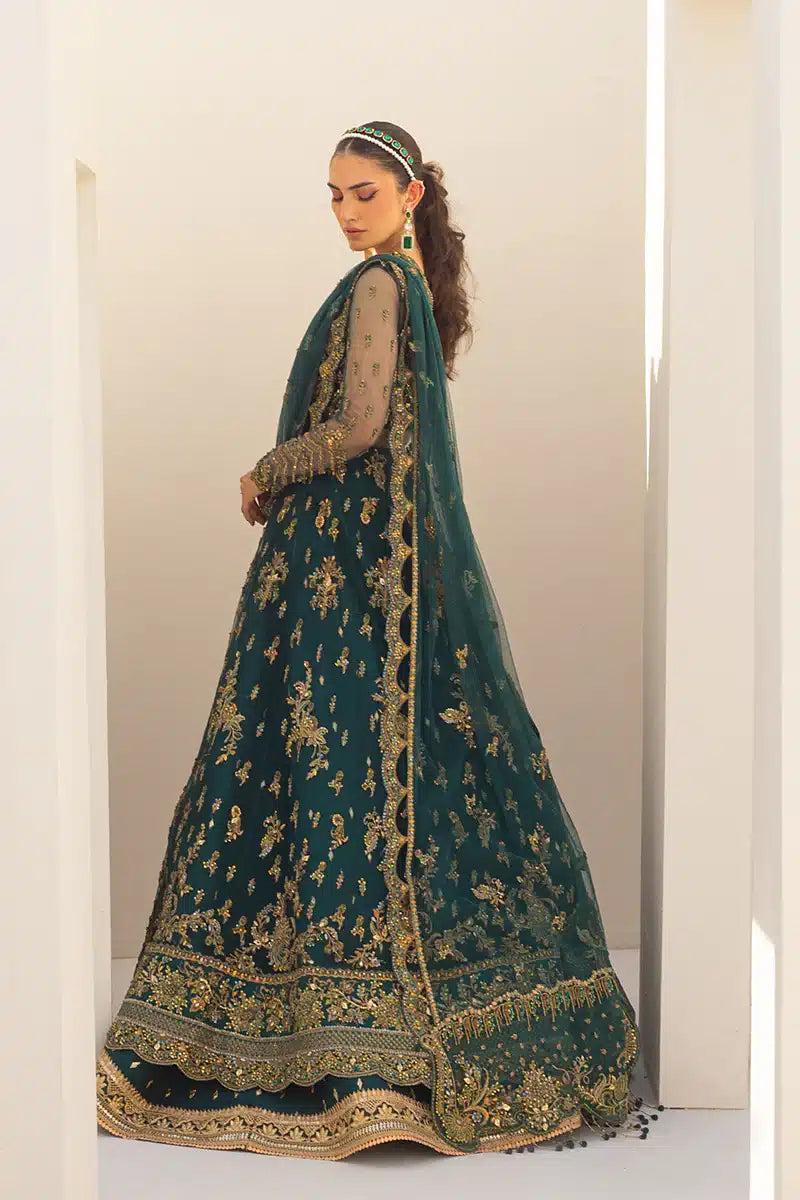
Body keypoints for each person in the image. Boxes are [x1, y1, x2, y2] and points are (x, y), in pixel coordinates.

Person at [96, 121, 656, 1159]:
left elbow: (357, 429)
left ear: (409, 196)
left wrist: (266, 469)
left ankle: (342, 1033)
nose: (347, 212)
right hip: (365, 571)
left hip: (341, 577)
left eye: (364, 193)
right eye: (334, 195)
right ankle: (358, 1018)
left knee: (327, 768)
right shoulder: (408, 285)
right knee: (362, 773)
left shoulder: (376, 286)